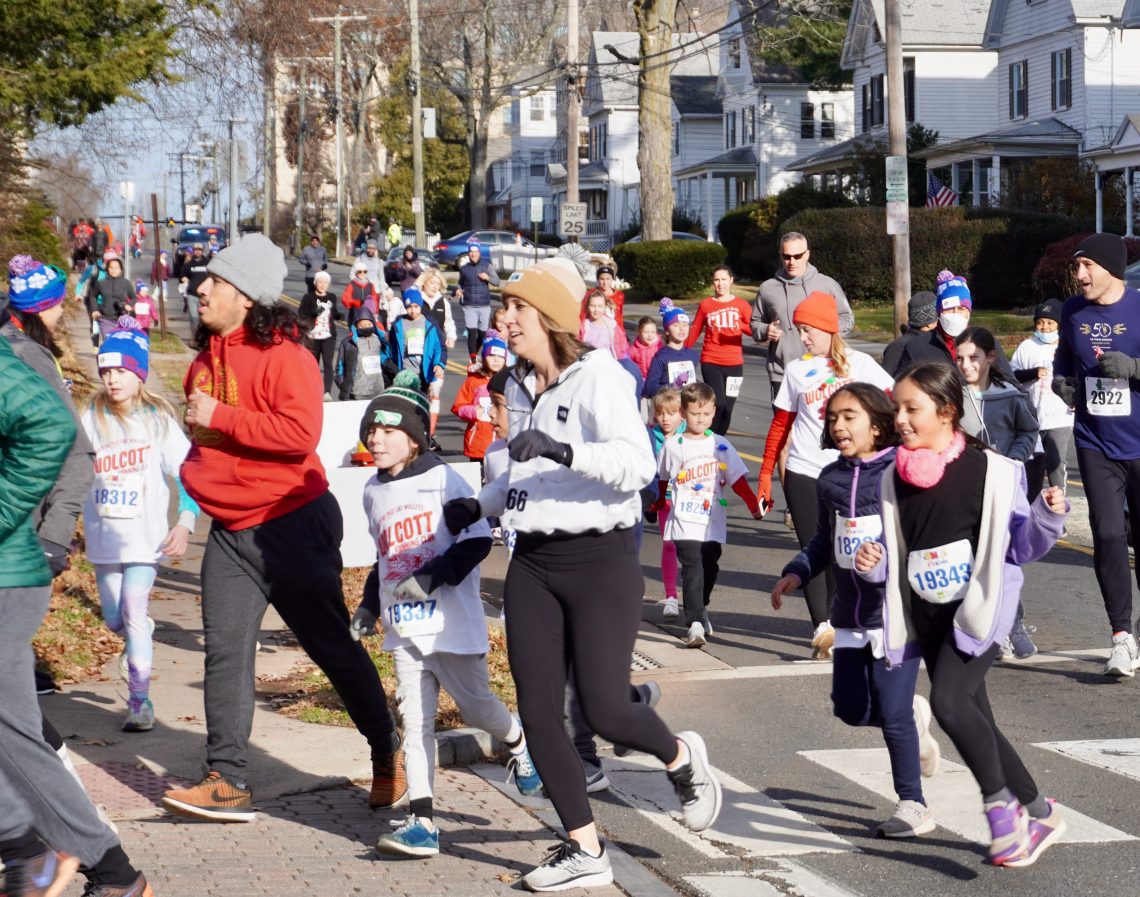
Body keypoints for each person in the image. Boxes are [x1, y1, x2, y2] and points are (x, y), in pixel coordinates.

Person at [440, 258, 723, 892]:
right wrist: (479, 504)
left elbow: (636, 465)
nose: (504, 318)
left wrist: (563, 449)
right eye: (504, 307)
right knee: (539, 715)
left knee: (604, 710)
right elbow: (523, 474)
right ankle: (584, 848)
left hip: (600, 560)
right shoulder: (517, 385)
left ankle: (682, 759)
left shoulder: (598, 377)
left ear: (549, 318)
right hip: (532, 562)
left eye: (516, 308)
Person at [160, 234, 403, 822]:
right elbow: (214, 443)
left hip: (289, 523)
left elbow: (298, 435)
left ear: (245, 295)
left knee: (329, 647)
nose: (202, 289)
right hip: (232, 530)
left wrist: (221, 416)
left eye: (215, 280)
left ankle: (387, 749)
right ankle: (227, 779)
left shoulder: (286, 356)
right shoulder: (205, 359)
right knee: (225, 652)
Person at [854, 362, 1069, 868]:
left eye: (912, 409)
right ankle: (1042, 813)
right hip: (927, 616)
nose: (900, 419)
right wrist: (875, 563)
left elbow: (1021, 546)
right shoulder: (893, 476)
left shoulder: (992, 472)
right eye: (897, 408)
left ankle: (1002, 814)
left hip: (979, 611)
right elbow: (897, 549)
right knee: (979, 721)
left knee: (949, 702)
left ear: (947, 412)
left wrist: (1047, 514)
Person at [348, 372, 541, 857]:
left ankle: (517, 744)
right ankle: (422, 821)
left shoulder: (444, 479)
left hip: (450, 624)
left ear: (414, 438)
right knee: (415, 724)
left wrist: (433, 576)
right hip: (404, 630)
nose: (376, 438)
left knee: (479, 710)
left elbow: (477, 540)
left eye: (388, 431)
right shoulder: (372, 491)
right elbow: (384, 558)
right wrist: (370, 605)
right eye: (372, 430)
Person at [0, 330, 159, 897]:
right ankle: (75, 863)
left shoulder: (15, 356)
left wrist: (49, 531)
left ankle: (33, 853)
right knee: (13, 726)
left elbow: (65, 444)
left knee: (8, 723)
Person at [771, 384, 940, 839]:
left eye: (850, 416)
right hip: (849, 613)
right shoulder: (830, 479)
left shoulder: (901, 472)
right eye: (832, 419)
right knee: (850, 708)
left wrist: (884, 558)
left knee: (892, 707)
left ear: (879, 423)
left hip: (894, 613)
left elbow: (919, 535)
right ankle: (913, 719)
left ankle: (913, 804)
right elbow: (826, 540)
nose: (839, 426)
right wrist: (798, 571)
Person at [757, 292, 895, 659]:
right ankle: (823, 626)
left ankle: (840, 619)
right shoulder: (797, 370)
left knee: (841, 550)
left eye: (807, 330)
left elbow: (894, 405)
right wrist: (765, 475)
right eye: (799, 330)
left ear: (828, 328)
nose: (802, 337)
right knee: (813, 547)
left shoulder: (861, 365)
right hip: (804, 470)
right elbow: (779, 427)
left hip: (849, 473)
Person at [82, 318, 198, 732]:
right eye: (106, 370)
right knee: (117, 619)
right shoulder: (90, 416)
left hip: (145, 540)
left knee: (134, 607)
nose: (113, 379)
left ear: (139, 374)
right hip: (104, 539)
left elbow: (188, 473)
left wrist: (185, 523)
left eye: (122, 371)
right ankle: (138, 633)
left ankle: (139, 701)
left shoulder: (157, 421)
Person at [3, 255, 96, 697]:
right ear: (43, 309)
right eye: (60, 305)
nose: (63, 314)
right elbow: (76, 453)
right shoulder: (29, 360)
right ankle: (50, 762)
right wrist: (56, 536)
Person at [1051, 232, 1140, 677]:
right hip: (1094, 439)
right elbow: (1065, 360)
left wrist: (1135, 368)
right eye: (1077, 267)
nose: (1079, 275)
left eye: (1088, 267)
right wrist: (1061, 381)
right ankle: (1121, 636)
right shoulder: (1072, 311)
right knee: (1106, 535)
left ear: (1111, 270)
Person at [955, 325, 1042, 660]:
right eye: (960, 358)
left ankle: (1012, 623)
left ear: (991, 357)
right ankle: (977, 624)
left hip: (1000, 487)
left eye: (973, 358)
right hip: (963, 487)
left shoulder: (1010, 394)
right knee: (972, 556)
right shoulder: (950, 393)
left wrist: (1014, 459)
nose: (965, 365)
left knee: (1000, 557)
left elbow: (1028, 430)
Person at [653, 381, 761, 647]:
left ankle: (701, 608)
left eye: (706, 414)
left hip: (711, 520)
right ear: (683, 413)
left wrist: (753, 505)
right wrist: (656, 503)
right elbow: (663, 480)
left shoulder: (720, 445)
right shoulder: (673, 445)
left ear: (713, 412)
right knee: (692, 567)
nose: (700, 419)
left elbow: (737, 480)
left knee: (710, 566)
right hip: (683, 520)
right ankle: (694, 624)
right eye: (694, 413)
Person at [751, 231, 854, 400]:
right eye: (786, 256)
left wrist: (826, 332)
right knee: (783, 426)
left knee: (819, 425)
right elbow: (755, 323)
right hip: (782, 372)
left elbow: (847, 319)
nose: (792, 262)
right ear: (780, 255)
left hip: (822, 370)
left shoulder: (827, 285)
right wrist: (765, 330)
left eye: (797, 256)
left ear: (807, 254)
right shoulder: (768, 288)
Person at [1010, 299, 1073, 498]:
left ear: (1059, 325)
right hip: (1032, 417)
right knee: (1032, 469)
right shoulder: (1027, 346)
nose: (1044, 327)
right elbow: (1012, 376)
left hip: (1059, 417)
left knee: (1056, 465)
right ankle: (1030, 513)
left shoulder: (1067, 346)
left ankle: (1057, 512)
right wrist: (1032, 373)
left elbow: (1076, 377)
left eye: (1050, 323)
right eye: (1040, 322)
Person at [684, 265, 754, 435]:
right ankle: (709, 437)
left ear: (731, 280)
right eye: (716, 280)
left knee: (728, 407)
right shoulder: (706, 304)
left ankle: (718, 441)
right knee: (719, 403)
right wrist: (682, 349)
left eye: (723, 279)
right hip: (711, 360)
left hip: (735, 363)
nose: (720, 284)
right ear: (713, 283)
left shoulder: (741, 305)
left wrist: (741, 325)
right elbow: (695, 329)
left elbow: (754, 329)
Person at [648, 387, 684, 618]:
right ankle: (671, 596)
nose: (665, 419)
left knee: (691, 550)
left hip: (689, 498)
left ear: (681, 413)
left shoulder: (690, 433)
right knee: (669, 544)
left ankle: (695, 598)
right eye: (661, 413)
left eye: (671, 413)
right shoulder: (650, 436)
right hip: (665, 500)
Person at [452, 330, 507, 464]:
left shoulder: (509, 381)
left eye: (500, 356)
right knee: (478, 481)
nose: (496, 359)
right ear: (484, 357)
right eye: (491, 355)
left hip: (502, 443)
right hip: (478, 443)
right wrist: (473, 412)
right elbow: (458, 406)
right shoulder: (474, 381)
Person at [388, 287, 445, 400]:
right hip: (405, 372)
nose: (413, 310)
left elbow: (439, 348)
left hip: (425, 372)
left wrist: (438, 364)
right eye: (409, 307)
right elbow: (392, 349)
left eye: (416, 306)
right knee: (406, 402)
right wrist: (394, 369)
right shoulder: (398, 324)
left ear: (421, 306)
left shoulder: (430, 323)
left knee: (422, 403)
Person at [643, 298, 701, 400]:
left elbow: (691, 382)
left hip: (687, 410)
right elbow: (649, 389)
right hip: (668, 410)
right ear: (667, 331)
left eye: (685, 325)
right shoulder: (660, 357)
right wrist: (674, 386)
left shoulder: (693, 355)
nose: (682, 329)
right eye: (675, 325)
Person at [299, 270, 342, 400]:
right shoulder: (308, 297)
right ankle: (312, 389)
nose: (322, 284)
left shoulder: (332, 297)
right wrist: (314, 313)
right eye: (320, 282)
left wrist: (339, 316)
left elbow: (333, 313)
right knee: (313, 365)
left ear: (328, 284)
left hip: (329, 335)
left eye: (325, 282)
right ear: (315, 283)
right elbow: (302, 313)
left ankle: (326, 392)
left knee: (328, 364)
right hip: (313, 336)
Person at [455, 243, 500, 362]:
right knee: (471, 332)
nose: (473, 254)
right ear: (469, 253)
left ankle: (476, 351)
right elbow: (461, 283)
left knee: (482, 334)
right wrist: (459, 290)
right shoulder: (464, 268)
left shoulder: (487, 266)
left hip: (484, 304)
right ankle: (473, 359)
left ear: (479, 253)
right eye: (471, 252)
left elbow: (497, 281)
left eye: (475, 252)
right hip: (469, 305)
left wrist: (488, 278)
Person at [336, 307, 390, 401]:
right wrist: (342, 383)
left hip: (378, 390)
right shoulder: (348, 344)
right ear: (356, 326)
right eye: (363, 325)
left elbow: (387, 357)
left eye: (369, 324)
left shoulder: (379, 340)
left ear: (373, 324)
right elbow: (340, 367)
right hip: (358, 392)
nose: (366, 327)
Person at [882, 292, 939, 378]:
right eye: (940, 317)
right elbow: (885, 381)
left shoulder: (936, 341)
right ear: (930, 323)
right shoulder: (898, 347)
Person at [88, 254, 136, 343]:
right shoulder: (101, 283)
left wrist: (129, 305)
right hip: (105, 318)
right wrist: (94, 310)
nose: (113, 270)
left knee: (120, 344)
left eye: (116, 268)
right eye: (111, 267)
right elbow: (92, 296)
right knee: (108, 342)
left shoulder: (126, 283)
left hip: (122, 320)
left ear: (121, 269)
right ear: (107, 269)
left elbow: (133, 297)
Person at [578, 290, 629, 361]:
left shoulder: (612, 327)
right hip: (589, 365)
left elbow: (623, 348)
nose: (596, 310)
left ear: (605, 306)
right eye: (592, 306)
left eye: (600, 306)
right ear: (587, 306)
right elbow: (576, 346)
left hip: (608, 365)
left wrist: (624, 361)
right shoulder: (583, 327)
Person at [179, 242, 211, 332]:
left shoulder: (207, 262)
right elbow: (182, 276)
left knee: (203, 317)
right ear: (193, 251)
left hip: (204, 295)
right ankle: (194, 336)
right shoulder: (188, 264)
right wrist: (184, 278)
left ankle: (202, 337)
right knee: (193, 317)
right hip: (191, 294)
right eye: (196, 250)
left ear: (202, 251)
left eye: (199, 250)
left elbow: (213, 276)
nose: (197, 252)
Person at [342, 260, 380, 329]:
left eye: (365, 271)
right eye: (360, 272)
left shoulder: (370, 285)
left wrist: (376, 313)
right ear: (356, 273)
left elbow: (375, 301)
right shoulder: (351, 285)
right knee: (354, 336)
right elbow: (345, 300)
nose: (362, 273)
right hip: (354, 315)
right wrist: (357, 303)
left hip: (368, 317)